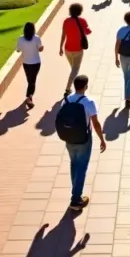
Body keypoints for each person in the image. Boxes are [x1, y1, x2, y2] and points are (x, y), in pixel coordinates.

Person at [55, 74, 106, 210]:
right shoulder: (88, 102)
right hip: (84, 139)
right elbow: (95, 123)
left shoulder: (66, 100)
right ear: (85, 86)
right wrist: (102, 139)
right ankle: (76, 199)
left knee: (74, 163)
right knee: (82, 167)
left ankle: (76, 191)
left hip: (69, 138)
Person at [59, 3, 91, 97]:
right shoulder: (82, 21)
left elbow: (63, 35)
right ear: (80, 11)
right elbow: (88, 32)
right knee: (75, 69)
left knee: (73, 69)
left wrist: (60, 47)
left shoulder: (66, 21)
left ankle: (76, 85)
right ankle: (68, 89)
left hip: (67, 49)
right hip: (78, 49)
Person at [16, 22, 44, 108]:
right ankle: (29, 97)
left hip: (26, 63)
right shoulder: (36, 38)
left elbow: (18, 50)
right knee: (32, 81)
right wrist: (41, 48)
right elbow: (40, 49)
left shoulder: (21, 39)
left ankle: (29, 97)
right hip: (36, 63)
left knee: (30, 80)